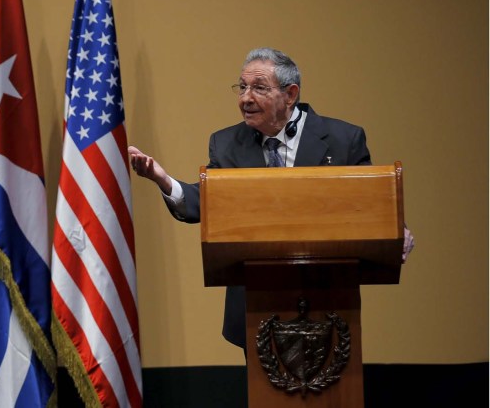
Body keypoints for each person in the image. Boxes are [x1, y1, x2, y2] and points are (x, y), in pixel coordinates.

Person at [128, 47, 415, 350]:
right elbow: (207, 201)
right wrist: (162, 179)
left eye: (259, 88)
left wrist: (398, 230)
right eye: (242, 87)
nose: (245, 98)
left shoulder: (343, 138)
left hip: (329, 299)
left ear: (290, 95)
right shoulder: (227, 144)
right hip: (256, 306)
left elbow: (368, 200)